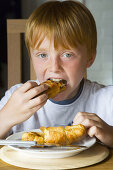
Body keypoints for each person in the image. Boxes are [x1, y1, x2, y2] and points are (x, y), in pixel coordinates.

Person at [0, 0, 113, 147]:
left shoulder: (107, 101)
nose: (54, 67)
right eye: (42, 55)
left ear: (89, 58)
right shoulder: (15, 99)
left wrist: (110, 134)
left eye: (67, 55)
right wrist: (5, 118)